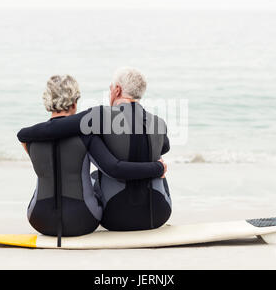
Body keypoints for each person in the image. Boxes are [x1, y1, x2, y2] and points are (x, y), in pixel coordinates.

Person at [18, 68, 171, 231]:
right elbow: (165, 147)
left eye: (111, 88)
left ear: (117, 90)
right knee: (157, 157)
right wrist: (158, 167)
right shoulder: (159, 122)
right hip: (159, 214)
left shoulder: (100, 116)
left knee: (94, 175)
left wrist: (24, 135)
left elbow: (56, 127)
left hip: (115, 217)